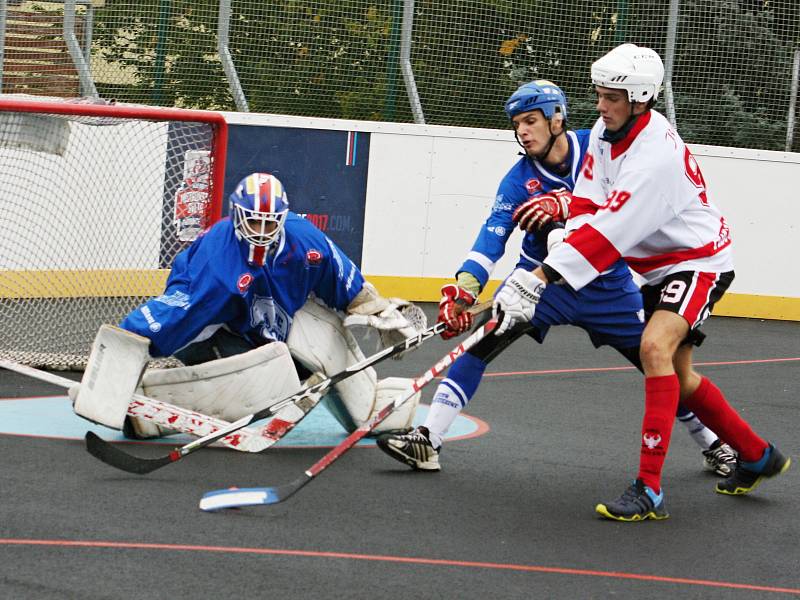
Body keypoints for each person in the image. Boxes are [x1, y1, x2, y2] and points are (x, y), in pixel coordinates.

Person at [376, 80, 735, 477]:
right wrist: (464, 289)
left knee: (657, 364)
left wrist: (564, 202)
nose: (523, 131)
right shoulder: (517, 180)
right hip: (538, 286)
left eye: (531, 120)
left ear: (557, 118)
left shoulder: (599, 146)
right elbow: (491, 236)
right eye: (517, 124)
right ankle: (429, 439)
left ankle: (714, 444)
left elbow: (623, 197)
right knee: (480, 341)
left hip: (608, 288)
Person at [492, 44, 791, 521]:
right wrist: (555, 253)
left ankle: (648, 490)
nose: (599, 105)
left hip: (698, 260)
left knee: (654, 349)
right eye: (599, 94)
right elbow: (588, 202)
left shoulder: (655, 160)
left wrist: (540, 276)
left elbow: (611, 234)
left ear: (640, 98)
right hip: (656, 267)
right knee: (683, 377)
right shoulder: (604, 134)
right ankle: (758, 455)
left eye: (610, 97)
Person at [72, 172, 424, 439]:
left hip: (268, 322)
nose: (261, 230)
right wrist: (116, 363)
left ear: (284, 217)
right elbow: (174, 312)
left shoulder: (308, 244)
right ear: (237, 214)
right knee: (266, 380)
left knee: (323, 335)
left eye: (270, 222)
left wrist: (379, 312)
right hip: (214, 327)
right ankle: (152, 412)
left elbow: (350, 288)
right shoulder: (219, 264)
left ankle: (371, 404)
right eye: (254, 220)